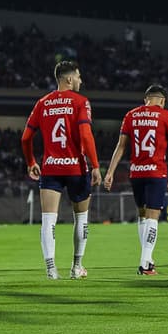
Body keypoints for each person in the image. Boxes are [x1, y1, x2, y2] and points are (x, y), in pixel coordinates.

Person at [23, 61, 101, 280]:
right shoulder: (81, 102)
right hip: (76, 167)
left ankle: (51, 269)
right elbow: (86, 135)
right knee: (81, 218)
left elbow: (25, 137)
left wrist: (31, 161)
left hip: (51, 168)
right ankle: (77, 267)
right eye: (78, 76)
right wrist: (95, 165)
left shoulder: (42, 103)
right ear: (69, 79)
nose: (80, 80)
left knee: (48, 220)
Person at [104, 84, 168, 275]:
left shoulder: (131, 115)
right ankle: (145, 263)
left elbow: (120, 146)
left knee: (142, 215)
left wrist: (110, 172)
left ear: (146, 99)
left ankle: (148, 258)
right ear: (162, 100)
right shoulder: (166, 116)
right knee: (153, 217)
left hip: (136, 172)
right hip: (155, 172)